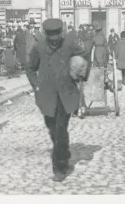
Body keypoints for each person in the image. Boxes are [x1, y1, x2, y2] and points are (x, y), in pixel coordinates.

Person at [26, 19, 90, 182]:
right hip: (46, 96)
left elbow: (85, 54)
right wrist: (36, 85)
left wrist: (80, 70)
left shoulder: (69, 43)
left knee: (60, 130)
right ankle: (64, 151)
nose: (54, 42)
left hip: (66, 94)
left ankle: (60, 168)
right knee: (53, 130)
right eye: (51, 39)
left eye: (57, 38)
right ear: (46, 35)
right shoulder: (39, 46)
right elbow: (30, 68)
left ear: (61, 34)